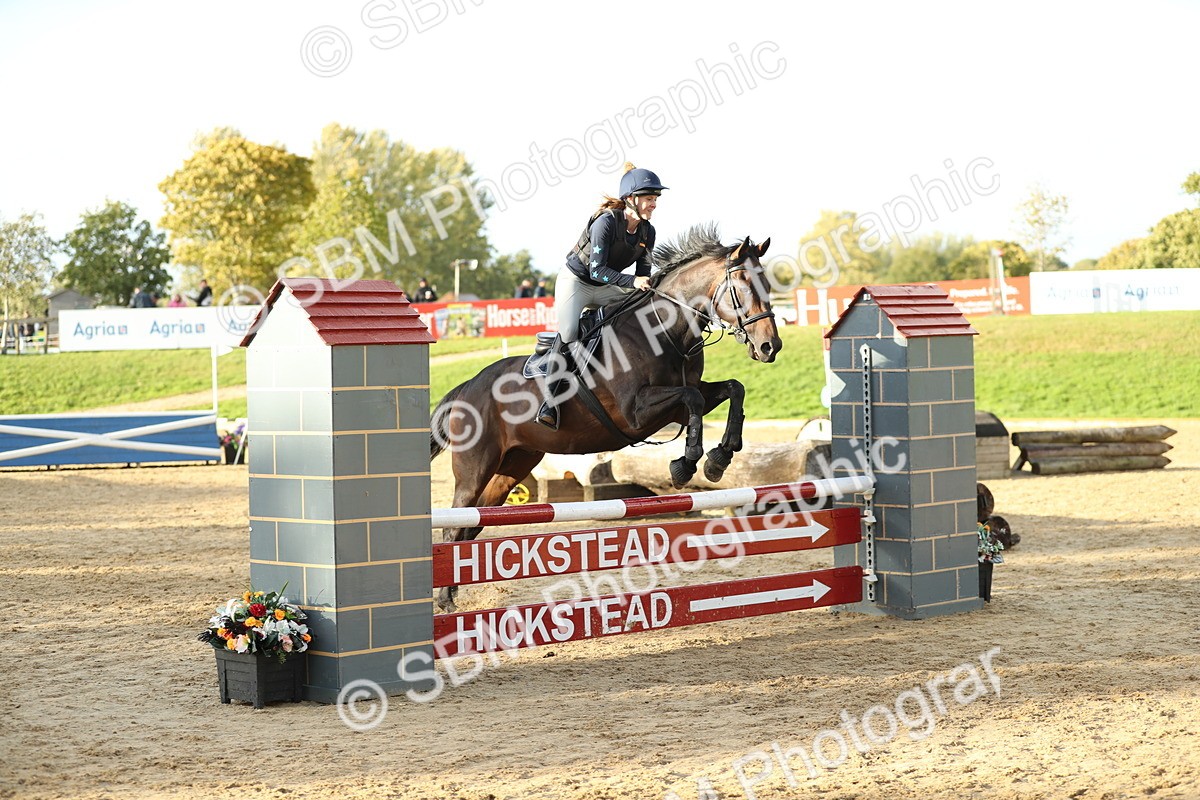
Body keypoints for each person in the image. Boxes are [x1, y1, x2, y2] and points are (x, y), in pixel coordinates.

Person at [536, 162, 666, 429]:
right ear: (631, 199)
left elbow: (643, 273)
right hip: (577, 282)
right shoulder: (606, 222)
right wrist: (632, 281)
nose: (654, 204)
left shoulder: (648, 232)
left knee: (635, 310)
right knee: (571, 331)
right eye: (649, 199)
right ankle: (549, 401)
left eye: (655, 199)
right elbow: (596, 271)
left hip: (608, 285)